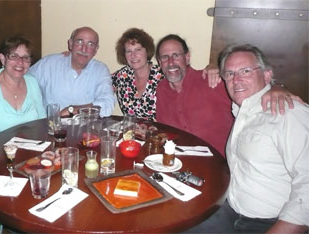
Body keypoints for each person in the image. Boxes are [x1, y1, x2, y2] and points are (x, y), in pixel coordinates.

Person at [187, 44, 309, 233]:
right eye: (229, 74)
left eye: (245, 71)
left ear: (267, 75)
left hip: (271, 223)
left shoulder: (288, 112)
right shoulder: (242, 112)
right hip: (231, 211)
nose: (236, 80)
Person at [155, 34, 299, 157]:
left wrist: (276, 88)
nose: (171, 62)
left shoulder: (213, 81)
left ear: (187, 58)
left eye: (176, 55)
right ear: (160, 63)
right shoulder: (161, 90)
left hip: (222, 169)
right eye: (165, 57)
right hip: (177, 165)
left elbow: (252, 90)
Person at [28, 26, 115, 117]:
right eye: (79, 42)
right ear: (70, 44)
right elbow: (23, 82)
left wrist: (72, 110)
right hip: (51, 127)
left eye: (90, 44)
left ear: (96, 50)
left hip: (86, 128)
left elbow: (107, 105)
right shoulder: (49, 64)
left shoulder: (100, 70)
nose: (84, 49)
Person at [0, 35, 46, 148]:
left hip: (32, 149)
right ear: (3, 59)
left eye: (26, 57)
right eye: (14, 56)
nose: (20, 62)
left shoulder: (32, 82)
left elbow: (42, 121)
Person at [112, 28, 165, 121]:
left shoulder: (163, 75)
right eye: (129, 51)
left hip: (160, 133)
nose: (133, 55)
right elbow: (98, 86)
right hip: (130, 133)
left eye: (138, 50)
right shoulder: (121, 76)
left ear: (147, 51)